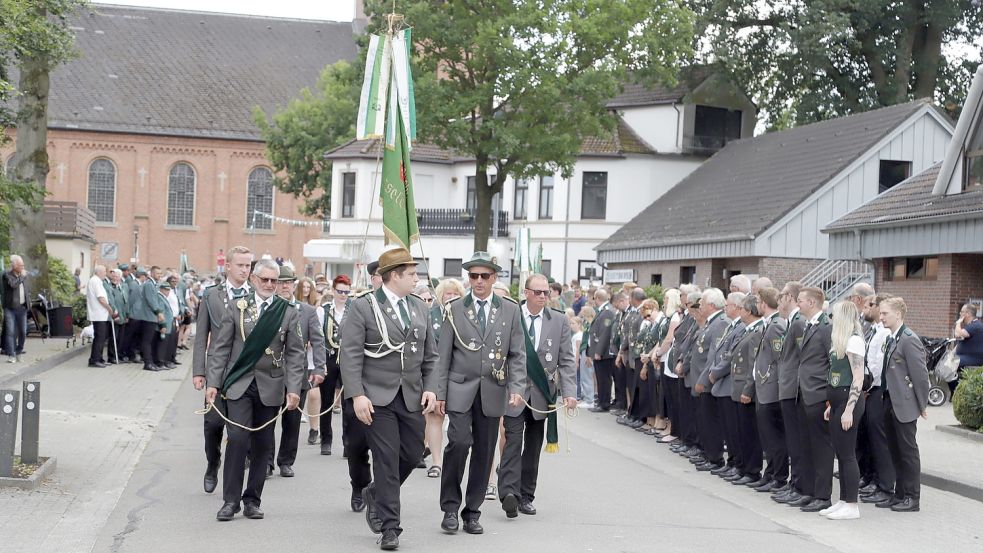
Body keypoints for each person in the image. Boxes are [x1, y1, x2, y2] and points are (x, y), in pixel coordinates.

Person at [340, 248, 439, 550]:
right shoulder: (364, 306)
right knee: (385, 459)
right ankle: (390, 527)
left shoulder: (419, 307)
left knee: (410, 454)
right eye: (411, 274)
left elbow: (430, 355)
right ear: (393, 275)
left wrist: (431, 387)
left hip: (409, 394)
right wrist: (357, 394)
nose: (416, 278)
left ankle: (374, 493)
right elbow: (352, 354)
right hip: (376, 395)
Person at [205, 258, 306, 522]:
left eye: (275, 281)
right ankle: (230, 500)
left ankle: (252, 499)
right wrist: (213, 383)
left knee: (263, 445)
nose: (270, 285)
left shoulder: (287, 311)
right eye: (265, 280)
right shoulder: (237, 308)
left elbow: (295, 354)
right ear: (253, 279)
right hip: (239, 384)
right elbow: (220, 348)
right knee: (237, 438)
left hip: (271, 386)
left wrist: (294, 388)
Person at [435, 251, 526, 536]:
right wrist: (439, 392)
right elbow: (443, 355)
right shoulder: (454, 308)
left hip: (493, 389)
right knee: (459, 443)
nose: (478, 281)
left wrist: (518, 387)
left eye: (484, 276)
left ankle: (472, 512)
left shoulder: (510, 310)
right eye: (473, 276)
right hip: (460, 387)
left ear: (494, 277)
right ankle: (450, 506)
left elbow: (517, 354)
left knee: (485, 453)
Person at [498, 274, 576, 518]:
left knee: (533, 447)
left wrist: (570, 393)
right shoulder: (511, 314)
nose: (544, 296)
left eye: (547, 293)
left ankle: (526, 495)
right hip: (514, 391)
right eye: (539, 292)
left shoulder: (559, 321)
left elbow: (566, 359)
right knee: (512, 442)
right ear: (527, 292)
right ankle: (509, 493)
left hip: (542, 394)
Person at [192, 245, 252, 494]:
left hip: (246, 370)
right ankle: (212, 462)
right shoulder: (211, 295)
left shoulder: (255, 296)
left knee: (240, 428)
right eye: (240, 265)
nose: (245, 270)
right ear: (228, 266)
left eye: (248, 265)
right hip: (218, 368)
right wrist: (199, 371)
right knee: (213, 423)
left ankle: (235, 467)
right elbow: (201, 335)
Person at [271, 265, 326, 477]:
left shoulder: (307, 311)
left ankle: (286, 461)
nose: (284, 286)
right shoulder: (268, 308)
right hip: (270, 371)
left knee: (292, 421)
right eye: (280, 282)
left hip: (296, 371)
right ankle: (266, 460)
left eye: (288, 282)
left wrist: (320, 368)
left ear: (294, 284)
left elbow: (318, 341)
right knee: (267, 419)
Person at [878, 296, 930, 512]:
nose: (881, 317)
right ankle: (899, 494)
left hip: (905, 403)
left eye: (885, 313)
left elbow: (920, 375)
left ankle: (912, 497)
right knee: (894, 450)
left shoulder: (909, 339)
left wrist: (922, 404)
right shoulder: (893, 338)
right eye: (880, 313)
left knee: (907, 452)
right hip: (890, 400)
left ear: (898, 314)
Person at [820, 300, 867, 520]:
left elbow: (858, 378)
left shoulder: (855, 341)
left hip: (849, 401)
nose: (831, 318)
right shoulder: (840, 342)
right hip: (838, 402)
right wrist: (833, 407)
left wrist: (848, 409)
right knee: (840, 452)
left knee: (847, 455)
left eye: (833, 315)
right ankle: (842, 501)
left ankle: (852, 505)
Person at [794, 286, 834, 513]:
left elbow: (833, 361)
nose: (797, 304)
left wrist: (829, 395)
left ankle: (822, 495)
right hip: (804, 392)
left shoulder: (826, 327)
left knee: (821, 448)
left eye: (800, 300)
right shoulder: (809, 325)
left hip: (818, 394)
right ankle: (808, 491)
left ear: (811, 302)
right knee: (806, 445)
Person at [424, 278, 464, 478]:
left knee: (459, 420)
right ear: (440, 295)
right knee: (434, 416)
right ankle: (436, 462)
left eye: (456, 293)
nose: (452, 297)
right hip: (436, 372)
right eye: (448, 293)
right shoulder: (431, 315)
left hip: (459, 375)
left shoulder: (466, 315)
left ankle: (454, 460)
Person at [772, 281, 808, 506]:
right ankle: (795, 484)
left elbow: (803, 356)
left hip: (793, 389)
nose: (780, 299)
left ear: (791, 298)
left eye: (783, 295)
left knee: (797, 441)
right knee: (793, 440)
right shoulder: (791, 322)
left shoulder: (798, 322)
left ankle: (798, 484)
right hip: (787, 388)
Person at [750, 287, 788, 493]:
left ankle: (779, 476)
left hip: (771, 388)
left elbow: (780, 357)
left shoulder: (775, 326)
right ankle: (771, 472)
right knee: (767, 436)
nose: (756, 305)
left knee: (774, 437)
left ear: (763, 302)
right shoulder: (769, 324)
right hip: (764, 387)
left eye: (757, 301)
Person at [859, 293, 895, 505]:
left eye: (873, 305)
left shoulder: (883, 335)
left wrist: (867, 386)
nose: (870, 309)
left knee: (880, 441)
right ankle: (874, 479)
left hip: (877, 389)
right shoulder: (873, 331)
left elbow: (877, 365)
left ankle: (885, 485)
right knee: (871, 439)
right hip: (870, 390)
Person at [690, 288, 730, 473]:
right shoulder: (709, 322)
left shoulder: (720, 323)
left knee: (711, 421)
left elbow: (714, 355)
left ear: (712, 305)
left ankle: (714, 457)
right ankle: (707, 453)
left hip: (707, 381)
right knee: (704, 420)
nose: (701, 307)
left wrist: (704, 379)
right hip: (699, 378)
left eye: (703, 304)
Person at [320, 275, 352, 456]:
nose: (343, 295)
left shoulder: (354, 309)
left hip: (348, 359)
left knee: (349, 402)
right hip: (329, 357)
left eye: (346, 292)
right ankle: (326, 439)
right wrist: (319, 363)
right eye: (340, 291)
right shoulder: (323, 310)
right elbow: (318, 338)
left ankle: (348, 442)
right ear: (333, 291)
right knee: (326, 401)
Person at [587, 290, 616, 412]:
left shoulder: (607, 312)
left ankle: (604, 403)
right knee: (600, 378)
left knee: (604, 379)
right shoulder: (603, 311)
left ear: (597, 298)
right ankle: (601, 401)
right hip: (600, 352)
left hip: (603, 354)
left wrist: (598, 351)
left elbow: (605, 333)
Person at [86, 265, 114, 368]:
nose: (105, 274)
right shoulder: (96, 281)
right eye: (104, 272)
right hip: (98, 314)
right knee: (99, 338)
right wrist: (109, 308)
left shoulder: (96, 280)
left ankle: (99, 358)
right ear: (99, 272)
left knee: (101, 337)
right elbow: (101, 298)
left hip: (100, 314)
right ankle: (95, 360)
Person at [2, 255, 29, 363]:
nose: (23, 267)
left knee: (23, 331)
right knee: (10, 332)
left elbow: (25, 290)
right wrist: (22, 277)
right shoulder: (7, 275)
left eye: (23, 265)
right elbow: (13, 285)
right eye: (21, 265)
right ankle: (11, 354)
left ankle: (18, 351)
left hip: (22, 308)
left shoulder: (23, 275)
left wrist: (28, 302)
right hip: (10, 308)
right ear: (14, 266)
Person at [952, 303, 983, 392]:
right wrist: (952, 352)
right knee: (949, 361)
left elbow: (958, 334)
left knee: (952, 364)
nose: (960, 314)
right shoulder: (970, 326)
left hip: (974, 359)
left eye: (962, 312)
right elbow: (961, 340)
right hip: (967, 357)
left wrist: (958, 323)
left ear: (967, 314)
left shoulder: (975, 326)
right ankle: (954, 391)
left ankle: (955, 391)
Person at [104, 269, 128, 364]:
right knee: (114, 337)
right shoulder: (109, 287)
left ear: (120, 277)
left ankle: (118, 354)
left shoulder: (123, 287)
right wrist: (115, 313)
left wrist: (127, 314)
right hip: (115, 315)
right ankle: (112, 356)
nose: (115, 277)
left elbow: (127, 302)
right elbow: (111, 301)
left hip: (123, 315)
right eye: (113, 276)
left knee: (121, 337)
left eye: (117, 276)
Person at [577, 306, 596, 407]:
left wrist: (589, 354)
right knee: (585, 375)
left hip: (587, 350)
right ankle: (587, 397)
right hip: (584, 350)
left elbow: (590, 341)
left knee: (587, 375)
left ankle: (589, 400)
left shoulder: (591, 324)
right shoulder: (587, 323)